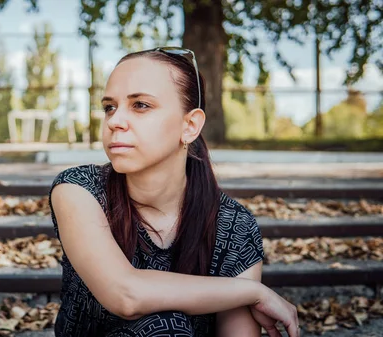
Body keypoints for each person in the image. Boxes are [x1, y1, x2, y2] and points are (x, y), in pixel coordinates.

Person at [48, 47, 300, 337]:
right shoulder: (79, 190)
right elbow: (125, 295)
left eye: (140, 105)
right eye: (109, 107)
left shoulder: (232, 224)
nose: (114, 121)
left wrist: (247, 292)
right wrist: (252, 292)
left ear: (190, 125)